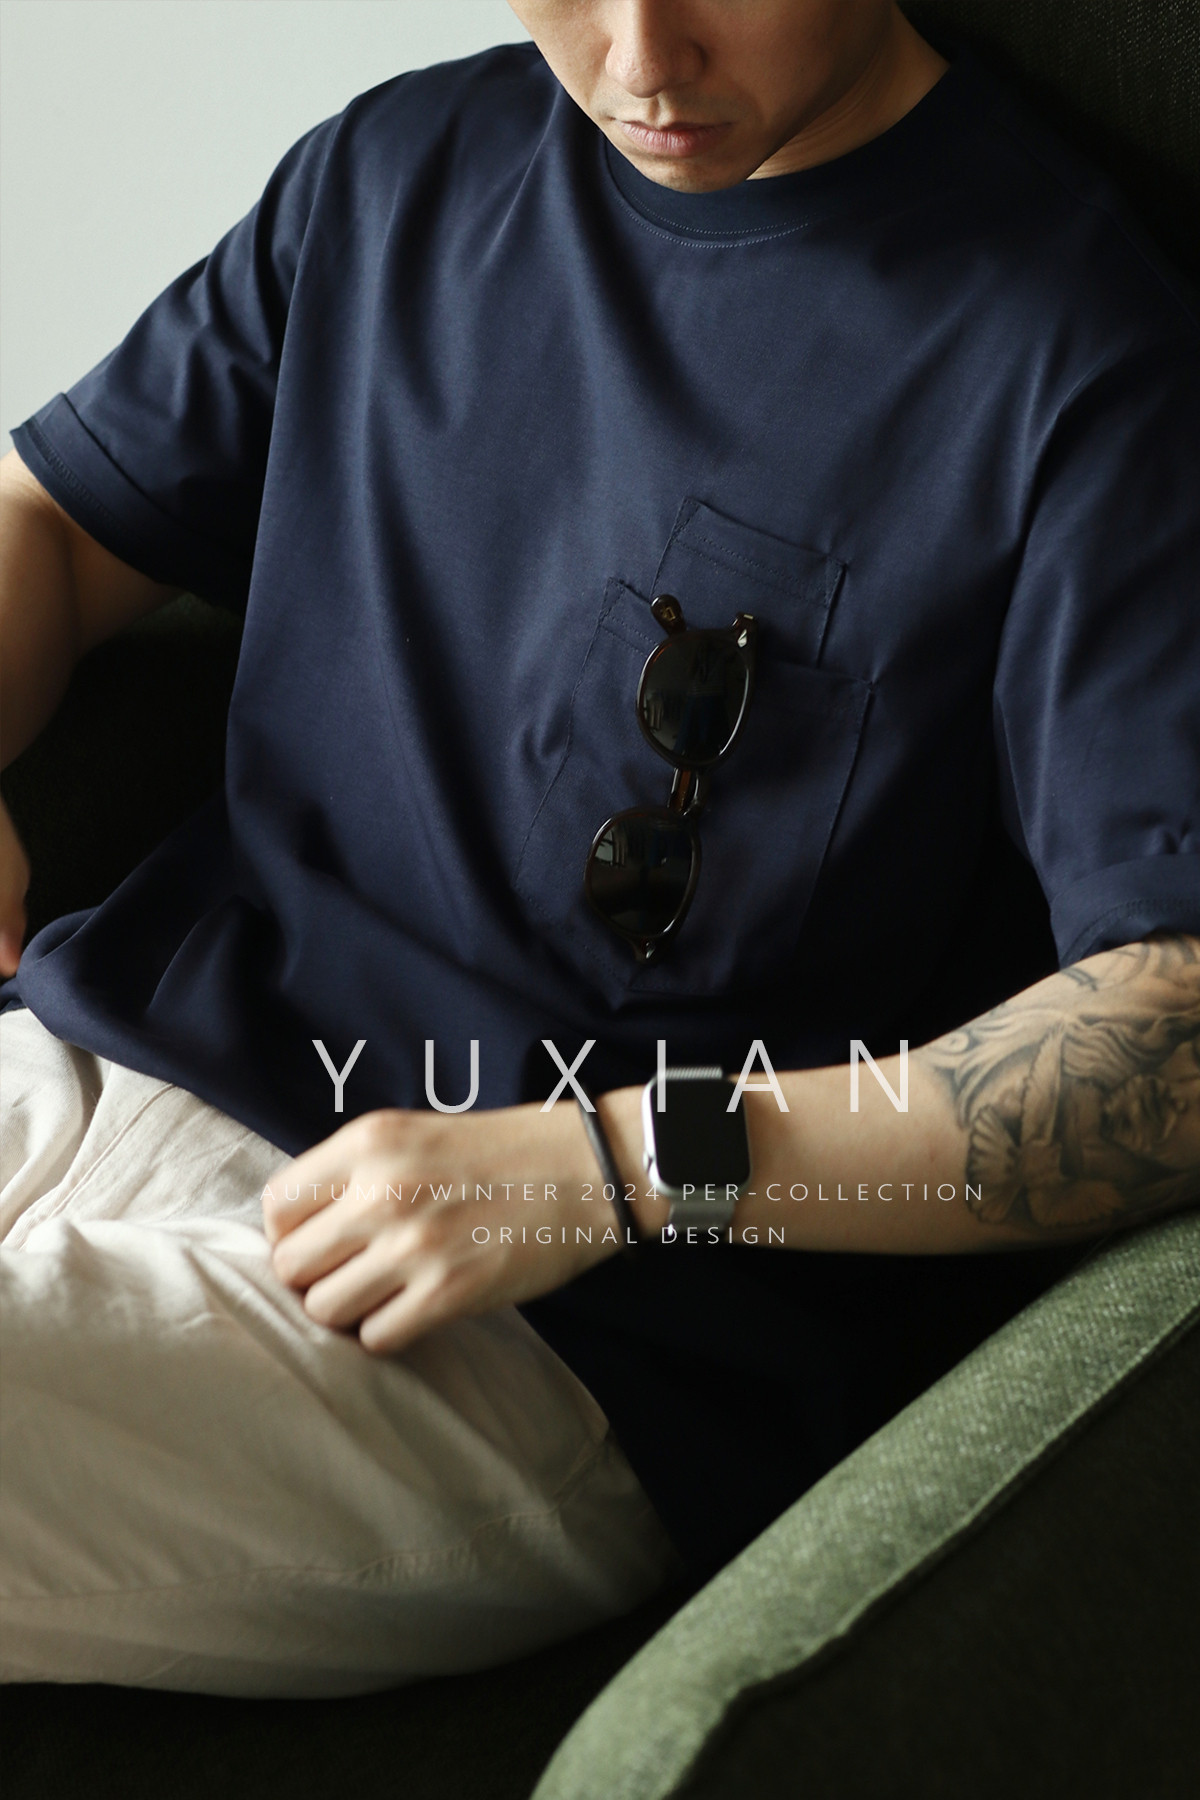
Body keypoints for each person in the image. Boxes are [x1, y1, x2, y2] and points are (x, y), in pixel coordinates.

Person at [1, 0, 1198, 1697]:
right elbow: (49, 518)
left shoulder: (1084, 365)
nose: (642, 57)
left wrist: (617, 1167)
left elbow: (1178, 1032)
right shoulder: (403, 169)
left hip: (560, 1320)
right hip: (111, 1050)